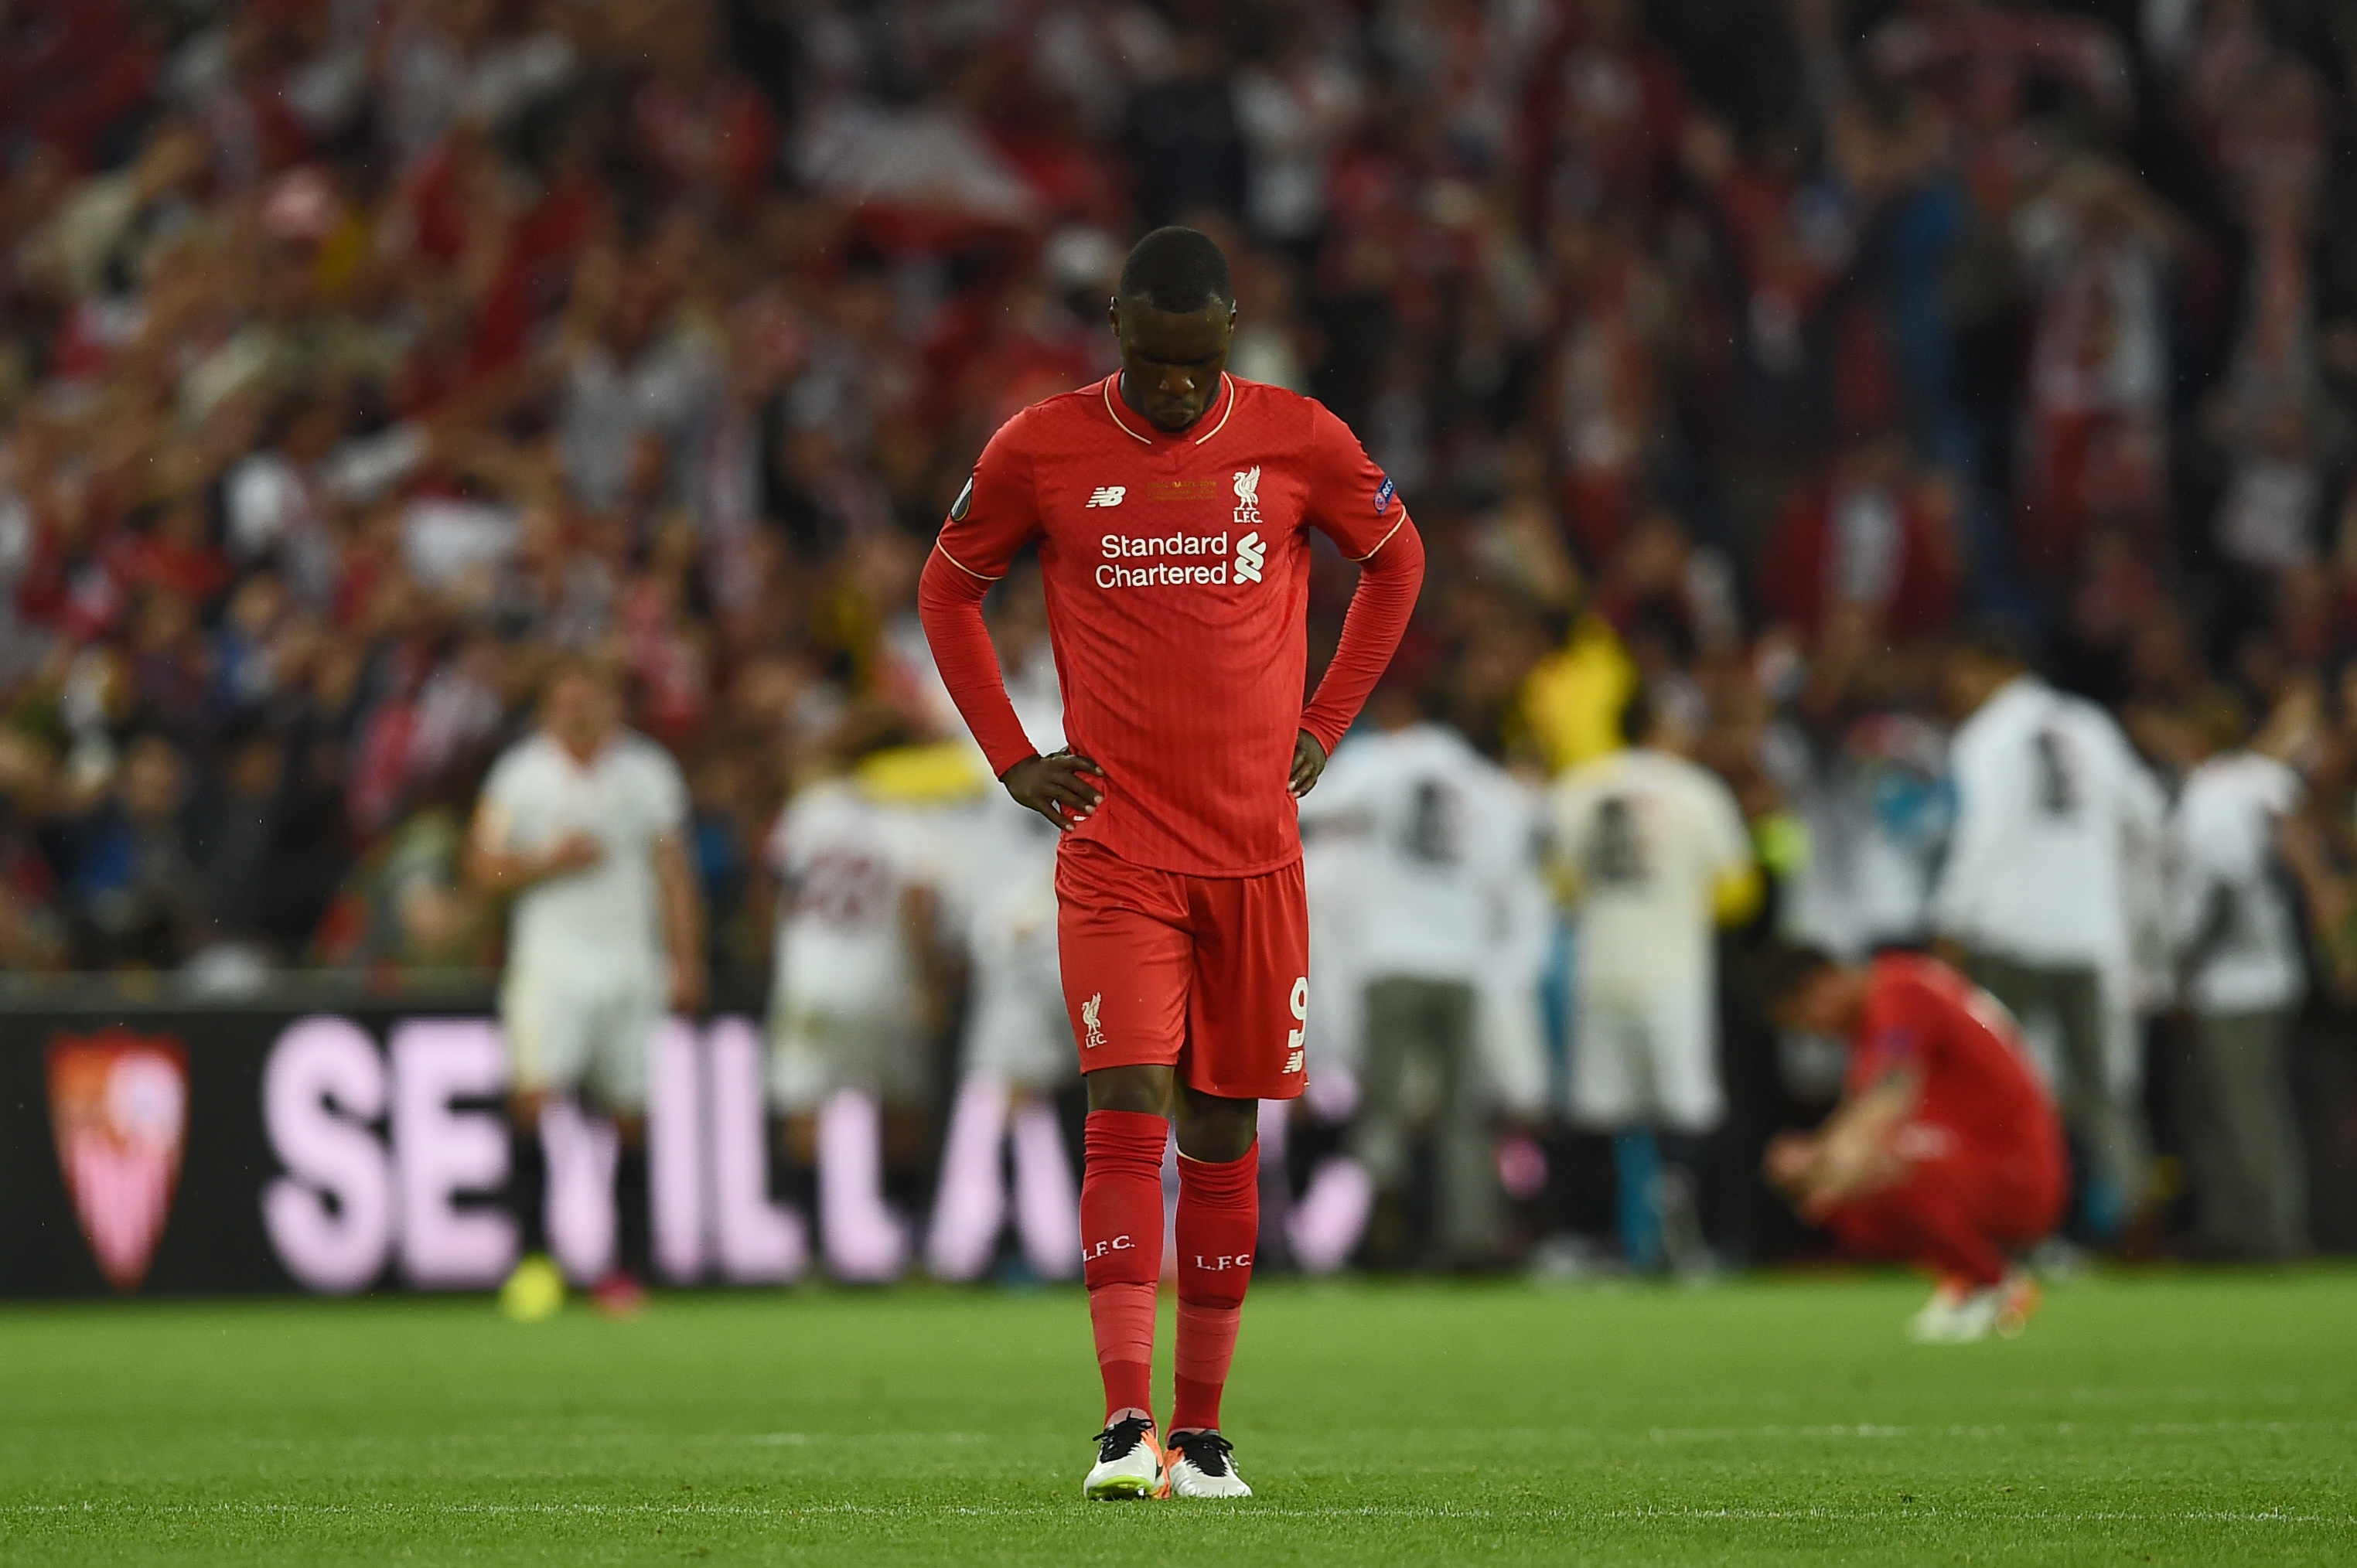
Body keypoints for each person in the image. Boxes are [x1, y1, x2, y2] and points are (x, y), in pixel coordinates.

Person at [916, 226, 1424, 1500]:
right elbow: (945, 588)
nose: (1180, 387)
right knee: (1125, 1098)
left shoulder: (1299, 437)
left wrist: (1321, 724)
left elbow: (1397, 563)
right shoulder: (1039, 445)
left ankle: (1200, 1435)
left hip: (1252, 854)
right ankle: (1121, 1421)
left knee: (1220, 1123)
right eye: (1155, 360)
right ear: (1117, 329)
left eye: (1201, 362)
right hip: (1116, 848)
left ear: (1230, 334)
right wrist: (1009, 754)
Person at [468, 658, 704, 1318]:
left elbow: (673, 872)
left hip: (629, 966)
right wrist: (547, 859)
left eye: (589, 700)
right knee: (535, 1103)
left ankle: (625, 1269)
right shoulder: (520, 775)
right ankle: (535, 1262)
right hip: (550, 968)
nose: (578, 713)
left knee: (628, 1117)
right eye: (565, 702)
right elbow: (480, 867)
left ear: (610, 703)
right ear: (548, 708)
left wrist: (686, 961)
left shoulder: (647, 772)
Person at [1298, 685, 1546, 1268]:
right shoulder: (1489, 786)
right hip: (1461, 964)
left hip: (1390, 961)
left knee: (1383, 1107)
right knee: (1463, 1111)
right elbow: (1511, 866)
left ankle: (1379, 1233)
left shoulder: (1382, 763)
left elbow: (1307, 801)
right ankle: (1468, 1240)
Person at [1929, 621, 2164, 1237]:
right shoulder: (2091, 725)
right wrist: (2137, 924)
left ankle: (2030, 1226)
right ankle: (2139, 1217)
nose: (1956, 688)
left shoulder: (1986, 735)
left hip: (2012, 934)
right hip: (2091, 936)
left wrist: (1950, 920)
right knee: (2102, 1090)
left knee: (2009, 1090)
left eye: (1963, 673)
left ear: (1993, 666)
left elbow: (1984, 832)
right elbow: (2146, 817)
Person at [1547, 687, 1759, 1270]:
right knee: (1684, 1105)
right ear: (1663, 726)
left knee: (1599, 1109)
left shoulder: (1580, 787)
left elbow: (1560, 885)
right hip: (1673, 969)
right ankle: (1682, 1219)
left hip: (1602, 964)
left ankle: (1597, 1239)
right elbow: (1738, 894)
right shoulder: (1697, 790)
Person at [1761, 943, 2066, 1342]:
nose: (1814, 1034)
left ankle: (1992, 1284)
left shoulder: (1898, 994)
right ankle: (1970, 1280)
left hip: (2016, 1170)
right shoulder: (1890, 997)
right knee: (1842, 1186)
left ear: (1824, 984)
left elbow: (1890, 1094)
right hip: (1981, 1158)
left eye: (1805, 1018)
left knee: (1866, 1171)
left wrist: (1818, 1160)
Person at [766, 733, 975, 1283]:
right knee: (903, 1111)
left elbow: (776, 882)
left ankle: (810, 1253)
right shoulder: (908, 818)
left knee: (806, 1111)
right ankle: (908, 1249)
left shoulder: (813, 807)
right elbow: (915, 902)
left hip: (810, 977)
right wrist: (931, 983)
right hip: (884, 979)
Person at [2167, 714, 2308, 1260]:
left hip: (2232, 982)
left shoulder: (2215, 788)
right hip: (2276, 971)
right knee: (2257, 1107)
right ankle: (2248, 1229)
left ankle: (2263, 1235)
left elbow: (2223, 885)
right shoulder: (2267, 781)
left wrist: (2187, 968)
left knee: (2240, 1111)